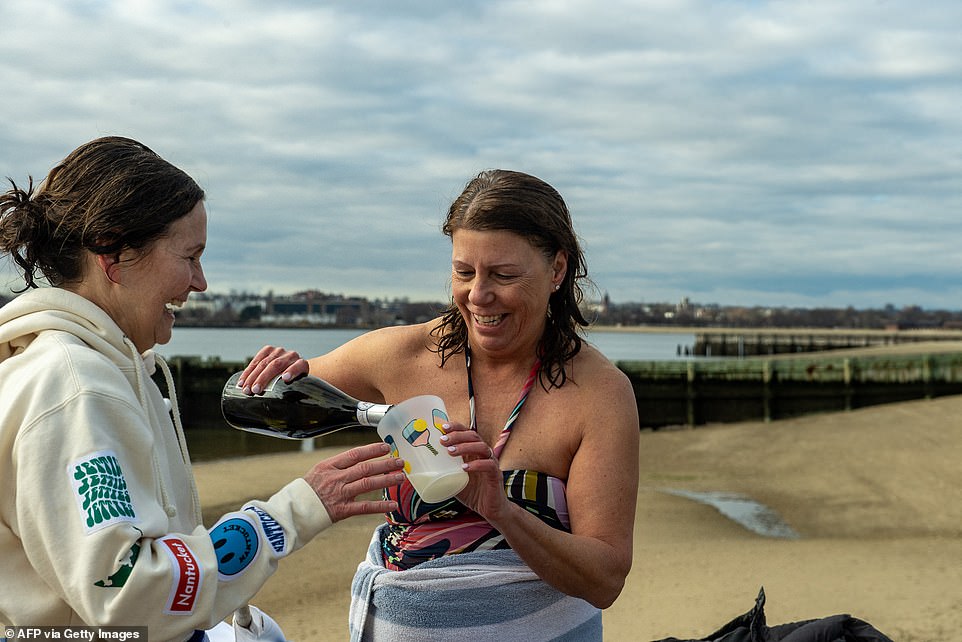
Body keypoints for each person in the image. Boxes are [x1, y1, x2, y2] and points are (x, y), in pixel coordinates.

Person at [0, 137, 405, 642]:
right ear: (115, 255)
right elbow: (127, 599)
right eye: (190, 256)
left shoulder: (75, 364)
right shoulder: (77, 387)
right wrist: (294, 511)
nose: (201, 282)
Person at [240, 169, 640, 640]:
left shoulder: (599, 393)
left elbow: (605, 578)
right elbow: (252, 400)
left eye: (504, 275)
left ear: (557, 269)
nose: (478, 295)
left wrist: (502, 512)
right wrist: (270, 373)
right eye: (463, 271)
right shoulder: (400, 356)